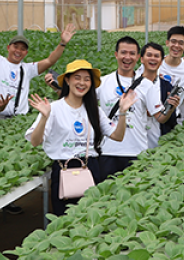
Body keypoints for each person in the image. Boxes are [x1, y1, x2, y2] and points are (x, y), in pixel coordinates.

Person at [28, 59, 136, 216]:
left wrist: (122, 112)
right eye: (77, 77)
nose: (82, 83)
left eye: (87, 79)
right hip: (64, 169)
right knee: (64, 221)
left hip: (91, 167)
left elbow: (117, 136)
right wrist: (44, 117)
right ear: (67, 80)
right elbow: (35, 141)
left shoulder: (94, 110)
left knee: (91, 218)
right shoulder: (53, 108)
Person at [0, 0, 74, 120]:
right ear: (8, 48)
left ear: (26, 53)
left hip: (19, 120)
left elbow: (50, 60)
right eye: (15, 46)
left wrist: (62, 43)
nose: (18, 51)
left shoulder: (27, 69)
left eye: (23, 49)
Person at [96, 36, 165, 181]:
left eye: (132, 53)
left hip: (137, 151)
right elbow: (80, 102)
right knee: (106, 196)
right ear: (116, 54)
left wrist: (171, 107)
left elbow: (160, 116)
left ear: (138, 57)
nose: (127, 57)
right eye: (123, 52)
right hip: (108, 150)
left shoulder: (146, 85)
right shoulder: (102, 83)